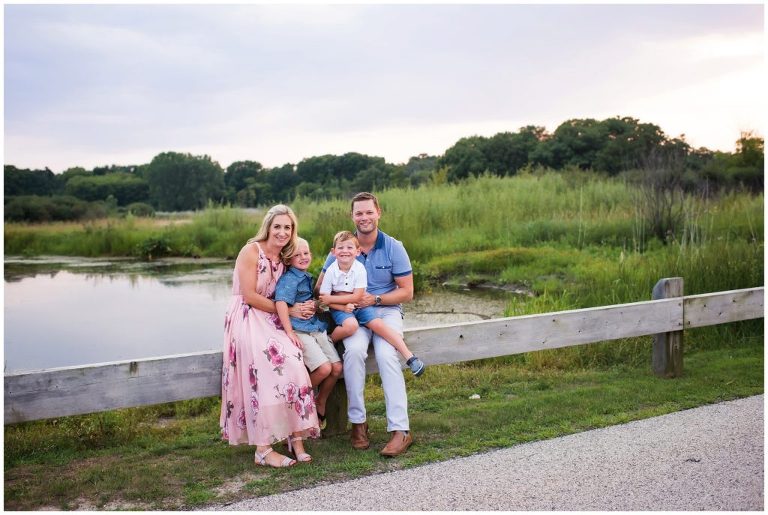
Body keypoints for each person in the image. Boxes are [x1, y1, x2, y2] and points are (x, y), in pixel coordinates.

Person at [315, 192, 416, 457]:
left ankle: (400, 430)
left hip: (386, 310)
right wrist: (342, 302)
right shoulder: (342, 248)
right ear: (352, 216)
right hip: (352, 314)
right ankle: (358, 423)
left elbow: (407, 292)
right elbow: (320, 291)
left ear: (378, 212)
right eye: (359, 213)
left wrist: (377, 298)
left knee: (386, 354)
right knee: (355, 352)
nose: (364, 217)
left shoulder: (394, 247)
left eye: (368, 212)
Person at [220, 204, 320, 468]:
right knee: (264, 367)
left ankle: (295, 436)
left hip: (273, 317)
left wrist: (308, 305)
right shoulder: (251, 250)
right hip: (246, 316)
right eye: (278, 226)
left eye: (288, 227)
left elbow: (291, 289)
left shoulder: (286, 256)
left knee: (295, 361)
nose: (282, 232)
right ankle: (262, 449)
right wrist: (288, 309)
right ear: (268, 227)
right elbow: (250, 296)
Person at [318, 230, 425, 377]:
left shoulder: (359, 268)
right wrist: (341, 305)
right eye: (340, 248)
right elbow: (324, 297)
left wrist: (335, 299)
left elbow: (357, 296)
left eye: (349, 248)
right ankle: (328, 341)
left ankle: (410, 357)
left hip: (359, 305)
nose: (345, 251)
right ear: (333, 252)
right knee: (351, 326)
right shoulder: (331, 270)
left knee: (377, 323)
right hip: (341, 310)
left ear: (357, 252)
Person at [274, 237, 343, 427]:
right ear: (288, 260)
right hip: (300, 330)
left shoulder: (306, 275)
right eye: (297, 255)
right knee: (324, 368)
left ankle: (320, 400)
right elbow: (280, 302)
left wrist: (315, 304)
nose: (303, 257)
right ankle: (297, 400)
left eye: (306, 253)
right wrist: (289, 332)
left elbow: (311, 301)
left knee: (336, 368)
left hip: (315, 327)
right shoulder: (289, 279)